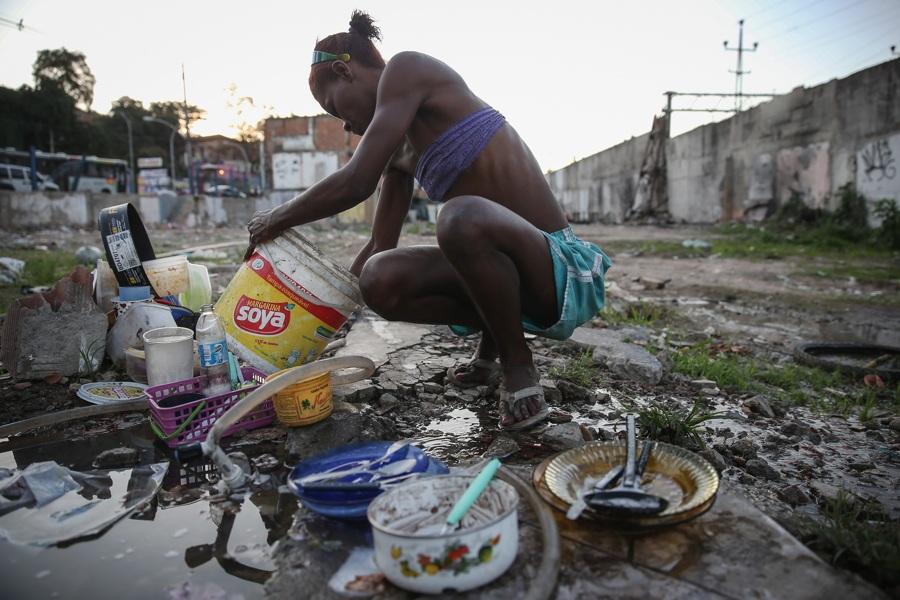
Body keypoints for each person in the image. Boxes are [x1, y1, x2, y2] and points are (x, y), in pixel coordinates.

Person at [246, 11, 611, 430]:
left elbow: (355, 182)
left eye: (335, 108)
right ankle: (490, 357)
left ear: (344, 71)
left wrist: (275, 219)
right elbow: (379, 246)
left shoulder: (407, 68)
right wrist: (322, 319)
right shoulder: (399, 151)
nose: (346, 125)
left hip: (557, 272)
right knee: (378, 277)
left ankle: (518, 365)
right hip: (512, 275)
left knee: (462, 216)